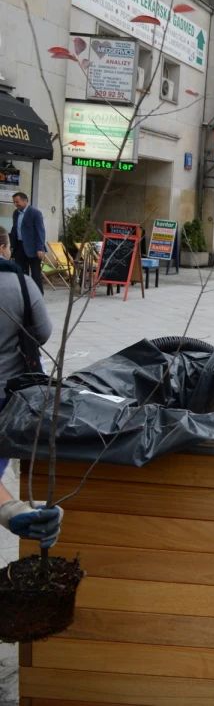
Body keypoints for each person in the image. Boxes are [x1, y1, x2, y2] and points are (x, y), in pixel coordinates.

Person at [0, 226, 61, 549]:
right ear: (4, 247)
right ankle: (11, 511)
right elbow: (43, 332)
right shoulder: (22, 284)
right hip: (10, 390)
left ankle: (10, 510)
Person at [10, 193, 47, 295]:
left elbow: (40, 231)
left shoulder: (35, 213)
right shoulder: (16, 213)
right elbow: (14, 229)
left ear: (25, 201)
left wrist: (40, 248)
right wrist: (11, 246)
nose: (15, 204)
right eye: (14, 202)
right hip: (19, 247)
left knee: (35, 274)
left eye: (17, 202)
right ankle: (25, 294)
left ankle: (38, 295)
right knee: (21, 273)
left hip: (33, 248)